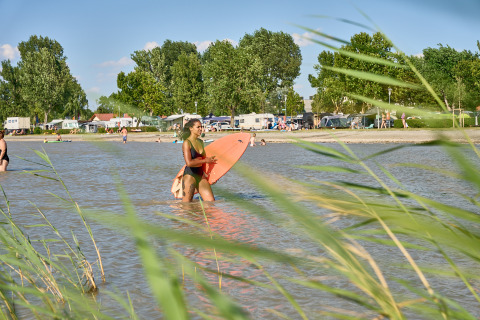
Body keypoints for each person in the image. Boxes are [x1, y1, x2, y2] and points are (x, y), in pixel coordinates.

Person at [181, 119, 216, 202]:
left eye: (201, 127)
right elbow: (189, 163)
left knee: (210, 202)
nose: (201, 129)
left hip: (200, 174)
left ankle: (200, 214)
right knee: (187, 205)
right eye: (198, 127)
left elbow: (203, 159)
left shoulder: (200, 142)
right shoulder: (187, 142)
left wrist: (209, 176)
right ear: (191, 128)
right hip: (190, 175)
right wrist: (205, 161)